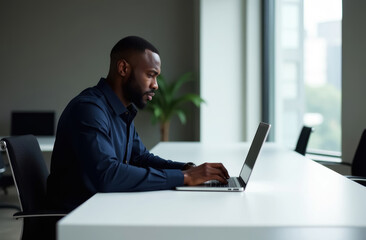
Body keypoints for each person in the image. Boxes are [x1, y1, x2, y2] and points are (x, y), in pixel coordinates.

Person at [46, 36, 230, 212]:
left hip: (104, 208)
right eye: (151, 75)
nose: (156, 85)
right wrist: (185, 178)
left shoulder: (121, 111)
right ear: (123, 68)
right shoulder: (89, 109)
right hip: (76, 220)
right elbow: (107, 175)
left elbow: (140, 158)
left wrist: (187, 169)